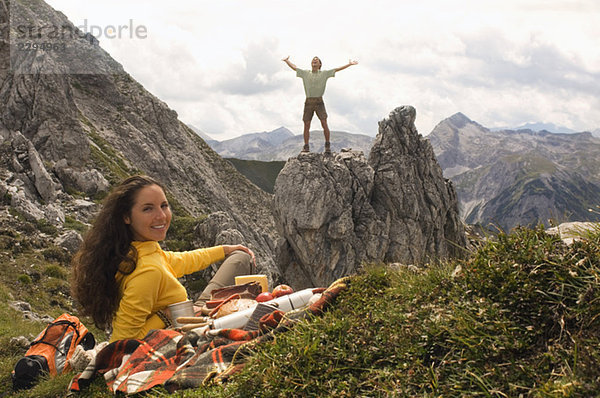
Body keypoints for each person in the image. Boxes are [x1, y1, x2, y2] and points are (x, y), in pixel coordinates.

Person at [70, 175, 255, 342]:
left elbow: (178, 260)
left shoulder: (133, 249)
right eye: (148, 209)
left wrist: (224, 250)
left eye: (164, 206)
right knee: (242, 262)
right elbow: (122, 343)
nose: (161, 216)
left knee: (239, 256)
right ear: (126, 217)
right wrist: (166, 316)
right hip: (186, 327)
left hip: (187, 315)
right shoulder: (148, 271)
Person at [282, 55, 358, 154]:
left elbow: (337, 69)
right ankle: (306, 146)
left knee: (324, 123)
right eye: (313, 60)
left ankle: (327, 146)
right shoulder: (305, 73)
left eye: (316, 60)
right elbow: (295, 68)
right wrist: (287, 61)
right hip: (308, 102)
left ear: (320, 64)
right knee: (306, 124)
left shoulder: (324, 73)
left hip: (319, 102)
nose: (314, 61)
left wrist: (349, 64)